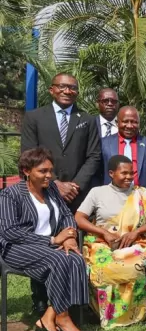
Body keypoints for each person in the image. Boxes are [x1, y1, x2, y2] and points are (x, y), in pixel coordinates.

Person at [19, 73, 102, 318]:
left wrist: (74, 185)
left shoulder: (87, 119)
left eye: (72, 87)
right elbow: (28, 154)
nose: (67, 91)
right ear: (52, 89)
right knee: (44, 240)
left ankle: (76, 301)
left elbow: (94, 156)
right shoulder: (35, 117)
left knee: (75, 244)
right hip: (43, 192)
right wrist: (55, 183)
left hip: (77, 195)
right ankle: (40, 299)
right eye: (62, 87)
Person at [0, 148, 89, 331]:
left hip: (48, 247)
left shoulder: (52, 190)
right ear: (26, 171)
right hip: (17, 248)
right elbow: (9, 232)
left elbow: (66, 215)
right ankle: (63, 317)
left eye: (50, 170)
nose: (49, 175)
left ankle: (48, 317)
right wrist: (53, 240)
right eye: (43, 171)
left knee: (76, 259)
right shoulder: (10, 194)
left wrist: (70, 237)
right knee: (60, 259)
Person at [75, 155, 146, 329]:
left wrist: (137, 232)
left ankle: (131, 314)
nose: (129, 177)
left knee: (132, 265)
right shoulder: (97, 192)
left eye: (131, 173)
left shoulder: (140, 193)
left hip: (136, 243)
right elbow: (79, 218)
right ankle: (104, 312)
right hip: (102, 243)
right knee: (101, 266)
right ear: (111, 173)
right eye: (124, 173)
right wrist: (103, 233)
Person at [101, 106, 146, 203]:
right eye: (125, 121)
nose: (129, 126)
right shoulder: (104, 144)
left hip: (143, 202)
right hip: (112, 201)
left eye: (134, 122)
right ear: (117, 123)